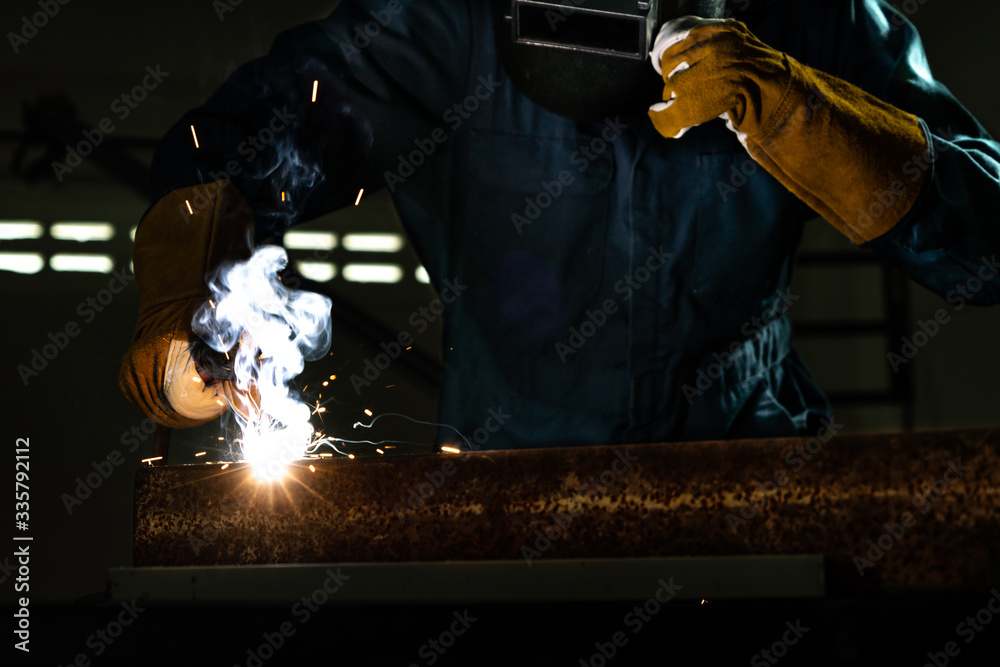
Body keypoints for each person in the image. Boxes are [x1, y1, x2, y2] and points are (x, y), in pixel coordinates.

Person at [119, 0, 1000, 450]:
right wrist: (187, 302)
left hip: (750, 475)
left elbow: (987, 246)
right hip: (509, 503)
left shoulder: (811, 17)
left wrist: (810, 113)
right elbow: (243, 139)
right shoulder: (439, 24)